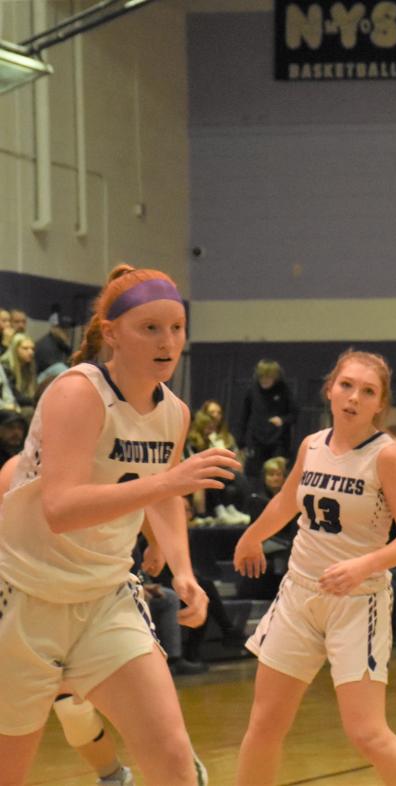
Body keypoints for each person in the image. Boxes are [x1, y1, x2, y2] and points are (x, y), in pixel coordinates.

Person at [0, 264, 242, 786]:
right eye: (150, 328)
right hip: (23, 598)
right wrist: (167, 483)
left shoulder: (174, 413)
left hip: (104, 597)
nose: (168, 342)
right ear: (111, 333)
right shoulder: (78, 392)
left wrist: (182, 569)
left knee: (175, 763)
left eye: (176, 328)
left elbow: (165, 499)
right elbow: (61, 509)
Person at [233, 350, 396, 786]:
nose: (354, 398)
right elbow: (287, 502)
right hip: (299, 595)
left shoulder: (387, 457)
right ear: (330, 389)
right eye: (346, 385)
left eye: (367, 391)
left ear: (380, 404)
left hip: (357, 602)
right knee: (265, 725)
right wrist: (252, 535)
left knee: (367, 734)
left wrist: (366, 563)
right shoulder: (311, 444)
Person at [0, 455, 135, 786]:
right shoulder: (15, 473)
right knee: (67, 709)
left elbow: (146, 500)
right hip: (24, 597)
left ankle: (125, 773)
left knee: (74, 708)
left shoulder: (102, 462)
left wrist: (166, 551)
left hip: (89, 598)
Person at [238, 359, 299, 479]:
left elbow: (295, 413)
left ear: (275, 377)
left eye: (268, 377)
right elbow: (244, 416)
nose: (264, 380)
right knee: (253, 474)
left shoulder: (284, 390)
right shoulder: (252, 390)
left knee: (277, 474)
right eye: (261, 377)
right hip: (257, 439)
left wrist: (282, 420)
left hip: (278, 441)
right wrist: (241, 441)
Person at [0, 332, 38, 413]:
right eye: (25, 348)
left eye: (32, 348)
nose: (31, 352)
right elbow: (14, 395)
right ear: (15, 349)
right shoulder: (5, 366)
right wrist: (35, 402)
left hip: (18, 405)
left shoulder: (29, 367)